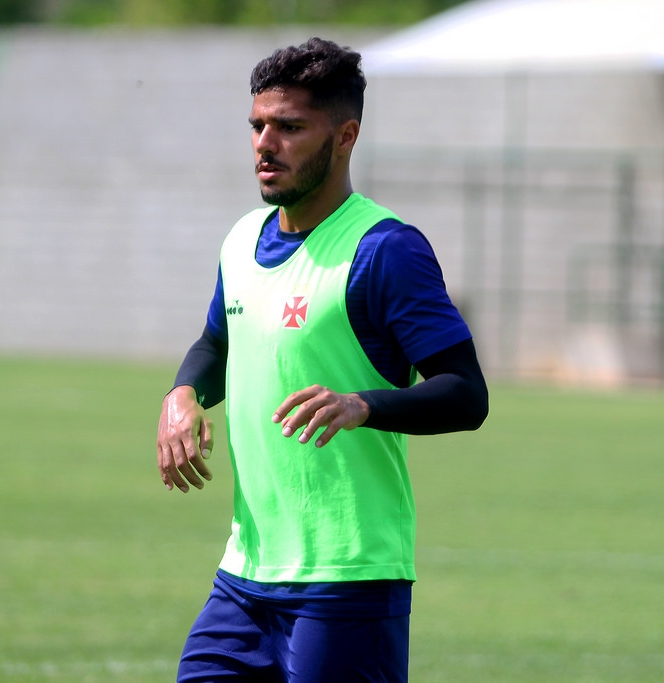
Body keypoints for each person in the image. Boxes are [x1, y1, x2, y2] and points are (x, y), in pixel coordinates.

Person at [156, 37, 488, 683]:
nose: (264, 143)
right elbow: (217, 343)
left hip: (349, 579)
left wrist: (363, 405)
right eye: (257, 125)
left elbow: (467, 393)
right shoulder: (241, 240)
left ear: (345, 136)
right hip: (244, 576)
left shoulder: (385, 249)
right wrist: (184, 394)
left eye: (290, 127)